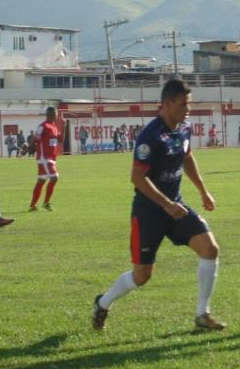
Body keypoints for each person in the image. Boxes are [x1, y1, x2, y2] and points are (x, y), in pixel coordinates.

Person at [92, 78, 226, 331]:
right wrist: (166, 204)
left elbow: (187, 158)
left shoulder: (184, 129)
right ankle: (103, 302)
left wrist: (203, 191)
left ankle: (202, 315)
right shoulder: (150, 135)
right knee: (142, 276)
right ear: (166, 104)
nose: (187, 110)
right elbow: (137, 177)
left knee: (210, 249)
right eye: (182, 105)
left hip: (176, 207)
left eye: (189, 104)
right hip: (149, 212)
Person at [29, 107, 61, 211]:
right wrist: (28, 150)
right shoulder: (42, 126)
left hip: (51, 158)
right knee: (54, 177)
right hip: (45, 158)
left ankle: (33, 205)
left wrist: (64, 126)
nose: (55, 115)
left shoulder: (54, 127)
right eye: (53, 113)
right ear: (48, 114)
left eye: (55, 113)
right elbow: (35, 139)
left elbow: (60, 140)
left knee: (41, 180)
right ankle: (46, 203)